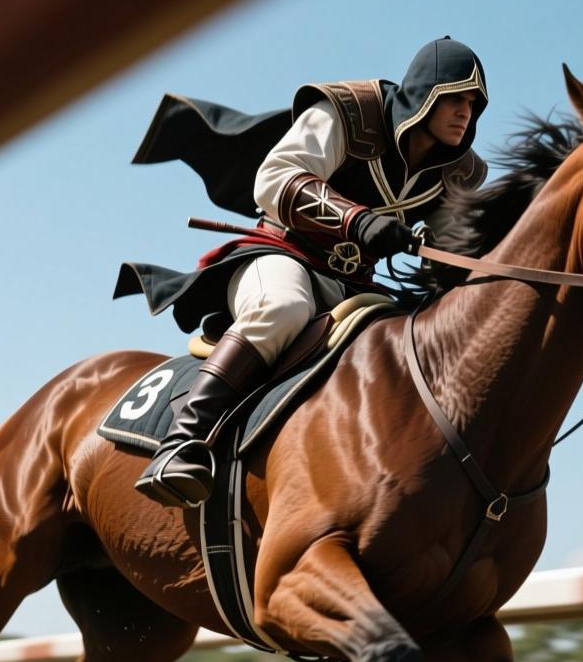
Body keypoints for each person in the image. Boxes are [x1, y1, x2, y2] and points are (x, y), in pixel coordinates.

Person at [115, 37, 489, 508]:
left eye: (474, 104)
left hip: (354, 288)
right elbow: (274, 180)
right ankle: (183, 442)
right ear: (425, 92)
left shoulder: (459, 173)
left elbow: (451, 253)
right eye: (456, 98)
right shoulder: (351, 111)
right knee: (284, 306)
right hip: (280, 257)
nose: (466, 114)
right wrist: (357, 219)